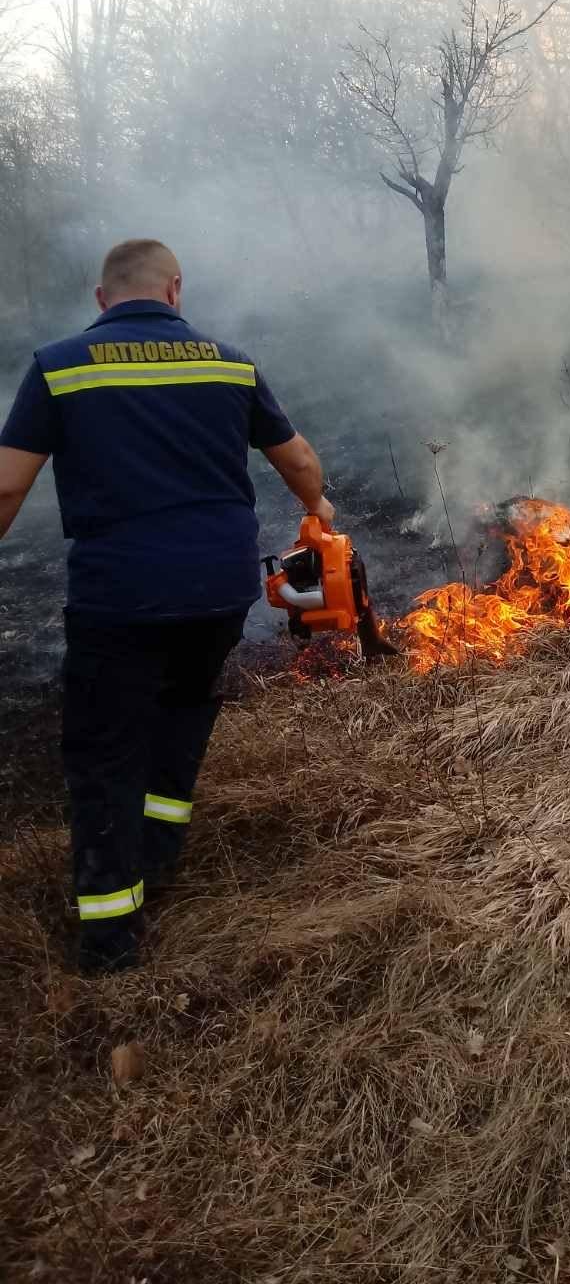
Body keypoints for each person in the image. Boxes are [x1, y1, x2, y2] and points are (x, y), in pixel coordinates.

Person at [0, 239, 333, 974]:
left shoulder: (59, 367)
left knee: (104, 750)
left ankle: (113, 936)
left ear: (100, 299)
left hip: (120, 597)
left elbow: (5, 486)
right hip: (218, 592)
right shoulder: (226, 361)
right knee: (182, 715)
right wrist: (319, 508)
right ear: (174, 290)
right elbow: (299, 460)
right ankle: (157, 860)